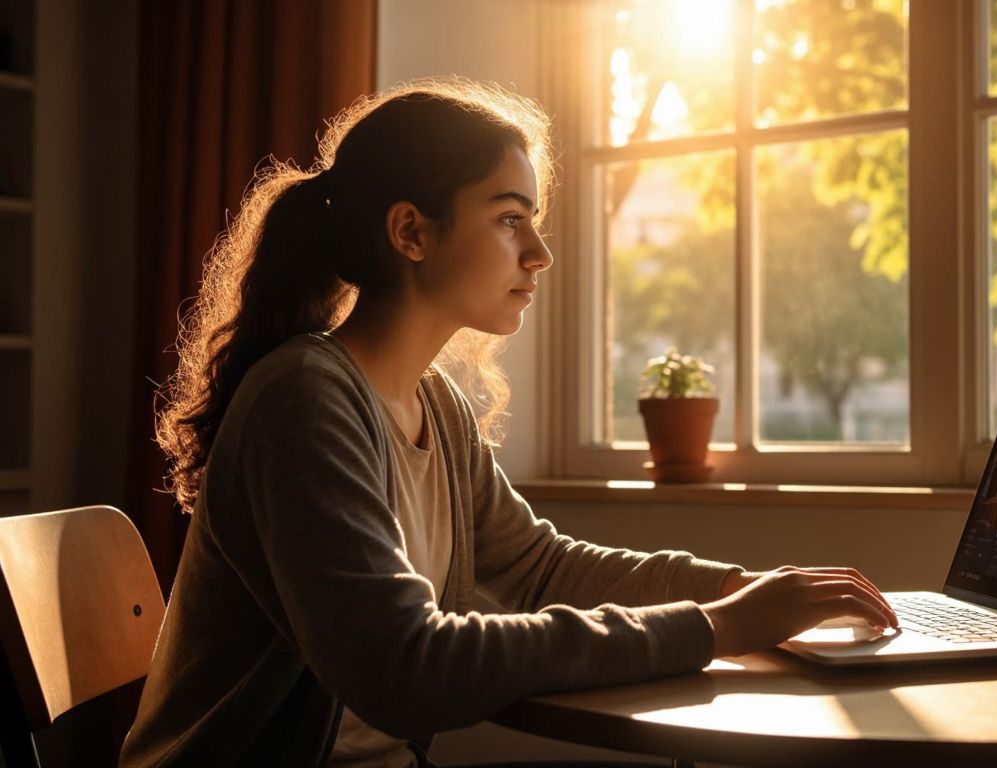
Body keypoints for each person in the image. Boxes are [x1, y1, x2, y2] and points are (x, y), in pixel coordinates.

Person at [119, 78, 897, 767]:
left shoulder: (437, 407)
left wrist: (738, 590)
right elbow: (406, 666)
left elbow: (539, 570)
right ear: (411, 233)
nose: (539, 254)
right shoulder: (303, 400)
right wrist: (717, 627)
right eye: (508, 218)